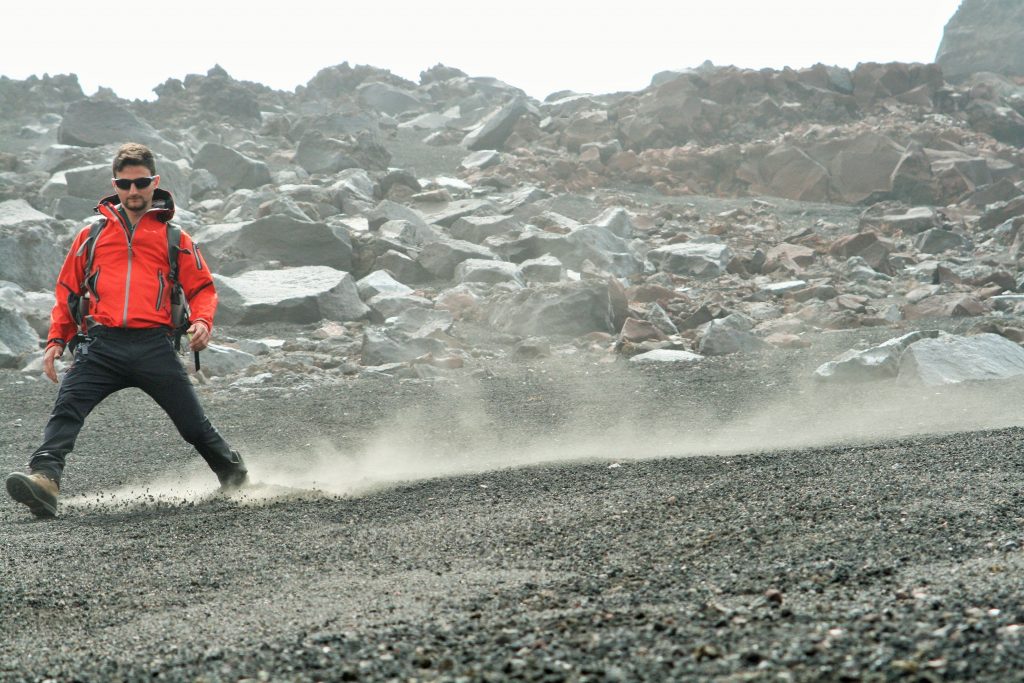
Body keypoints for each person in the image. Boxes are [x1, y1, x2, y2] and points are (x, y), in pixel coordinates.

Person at [5, 142, 248, 517]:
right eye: (125, 183)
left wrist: (202, 320)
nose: (133, 190)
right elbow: (68, 290)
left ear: (155, 182)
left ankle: (235, 477)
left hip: (155, 347)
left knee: (193, 426)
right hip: (101, 346)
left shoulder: (175, 238)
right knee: (67, 408)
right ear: (114, 185)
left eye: (141, 182)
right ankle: (45, 481)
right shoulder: (91, 236)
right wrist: (55, 340)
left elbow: (202, 288)